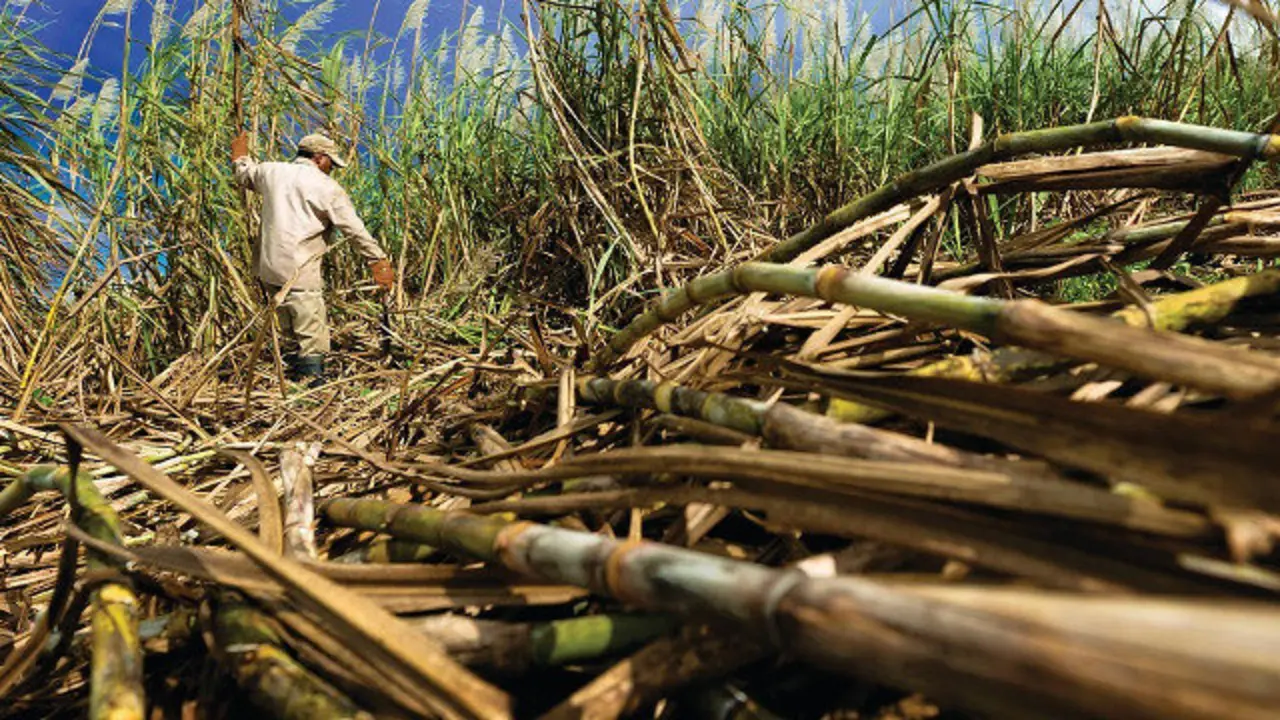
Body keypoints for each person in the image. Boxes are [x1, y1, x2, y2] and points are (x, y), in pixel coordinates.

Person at [230, 131, 394, 387]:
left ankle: (292, 380)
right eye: (331, 162)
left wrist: (240, 155)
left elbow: (244, 174)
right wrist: (378, 261)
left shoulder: (271, 171)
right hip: (300, 271)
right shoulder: (326, 187)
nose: (332, 169)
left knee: (288, 328)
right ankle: (313, 389)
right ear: (319, 158)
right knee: (311, 333)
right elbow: (354, 229)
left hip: (269, 268)